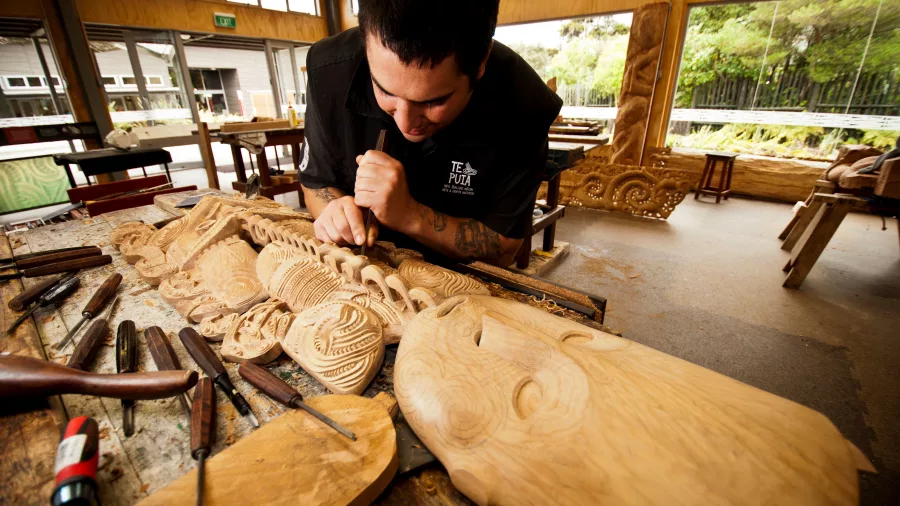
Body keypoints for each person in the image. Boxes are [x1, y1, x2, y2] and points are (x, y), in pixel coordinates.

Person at [299, 0, 562, 266]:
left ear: (480, 62)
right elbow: (316, 182)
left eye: (433, 102)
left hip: (460, 281)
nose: (406, 123)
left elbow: (504, 248)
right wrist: (335, 213)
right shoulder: (329, 70)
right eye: (385, 91)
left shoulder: (524, 106)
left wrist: (409, 215)